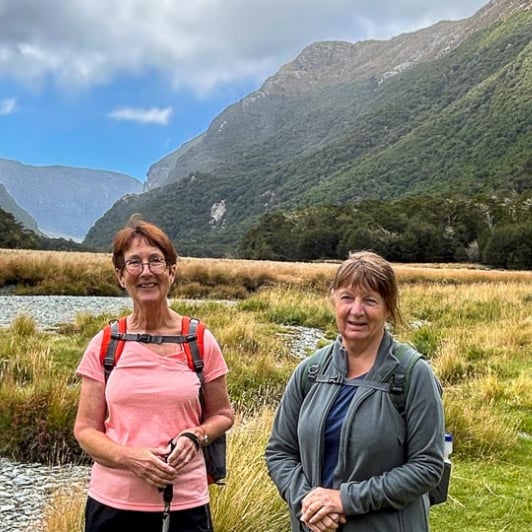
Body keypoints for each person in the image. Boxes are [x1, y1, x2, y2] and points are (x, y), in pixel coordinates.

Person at [265, 251, 444, 532]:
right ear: (333, 299)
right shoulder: (310, 372)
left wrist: (344, 500)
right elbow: (280, 452)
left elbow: (427, 467)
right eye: (347, 297)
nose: (356, 310)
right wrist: (307, 503)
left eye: (370, 300)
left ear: (388, 307)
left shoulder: (411, 375)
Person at [74, 217, 234, 532]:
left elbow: (223, 414)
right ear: (121, 276)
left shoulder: (199, 340)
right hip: (112, 506)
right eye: (134, 263)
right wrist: (129, 458)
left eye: (156, 261)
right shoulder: (106, 343)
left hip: (186, 505)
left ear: (171, 272)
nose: (146, 272)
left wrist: (196, 435)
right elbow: (85, 430)